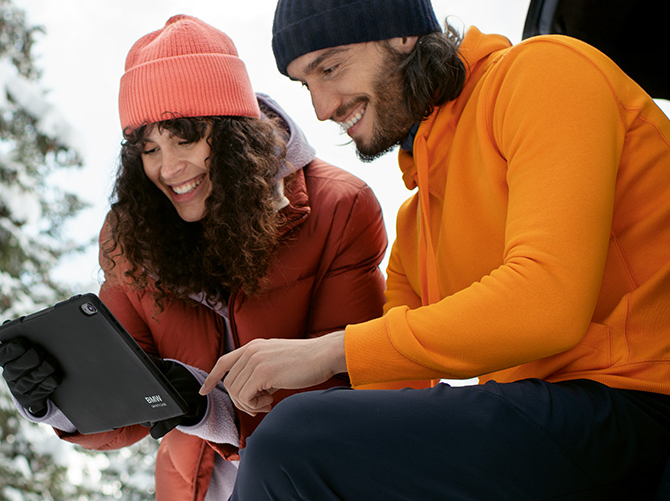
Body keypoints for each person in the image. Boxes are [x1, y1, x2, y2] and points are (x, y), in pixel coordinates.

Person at [200, 0, 670, 499]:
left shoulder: (545, 74)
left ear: (401, 33)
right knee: (307, 455)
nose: (321, 108)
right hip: (548, 430)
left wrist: (328, 353)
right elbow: (384, 399)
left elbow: (548, 304)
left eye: (330, 67)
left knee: (295, 442)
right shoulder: (418, 224)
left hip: (640, 404)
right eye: (305, 85)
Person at [0, 14, 407, 501]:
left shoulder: (338, 208)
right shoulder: (131, 237)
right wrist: (54, 397)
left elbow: (343, 390)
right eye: (149, 149)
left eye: (185, 138)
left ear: (233, 134)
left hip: (316, 483)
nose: (168, 168)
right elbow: (128, 402)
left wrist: (208, 409)